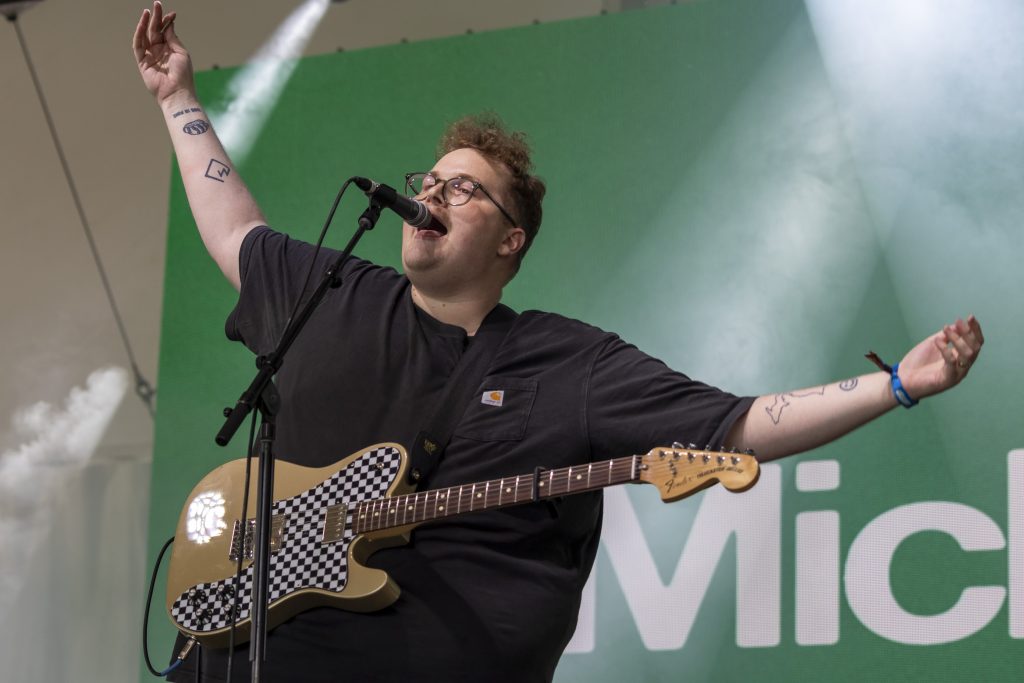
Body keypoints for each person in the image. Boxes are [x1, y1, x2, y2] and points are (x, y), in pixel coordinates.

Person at [134, 3, 984, 681]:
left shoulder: (566, 362)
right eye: (431, 180)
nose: (433, 193)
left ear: (512, 240)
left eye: (463, 190)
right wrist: (178, 98)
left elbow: (740, 424)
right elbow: (234, 230)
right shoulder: (336, 292)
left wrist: (897, 385)